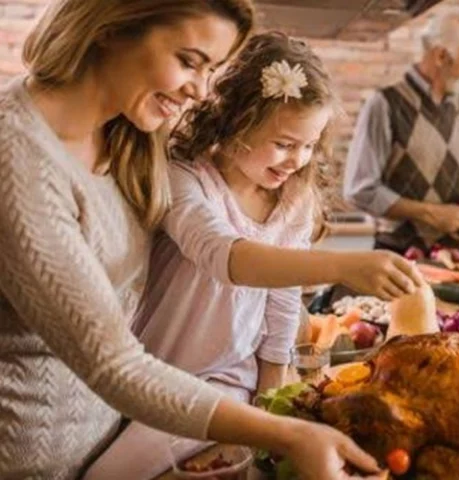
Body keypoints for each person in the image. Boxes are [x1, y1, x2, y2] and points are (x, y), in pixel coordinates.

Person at [0, 1, 386, 478]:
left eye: (212, 69)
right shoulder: (19, 161)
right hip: (33, 460)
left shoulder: (130, 134)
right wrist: (285, 433)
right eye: (189, 60)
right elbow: (112, 363)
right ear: (111, 26)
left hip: (111, 430)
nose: (202, 91)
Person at [83, 32, 421, 480]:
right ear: (236, 124)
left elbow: (282, 302)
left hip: (228, 382)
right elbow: (224, 257)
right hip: (154, 375)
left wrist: (270, 396)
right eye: (284, 143)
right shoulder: (186, 181)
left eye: (309, 145)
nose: (297, 160)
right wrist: (343, 265)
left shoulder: (293, 201)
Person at [343, 6, 459, 256]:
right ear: (440, 56)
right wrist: (431, 213)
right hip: (397, 256)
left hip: (458, 257)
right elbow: (361, 190)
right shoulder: (386, 105)